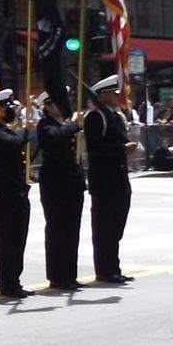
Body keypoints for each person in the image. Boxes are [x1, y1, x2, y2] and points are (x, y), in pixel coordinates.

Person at [0, 90, 36, 298]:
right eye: (9, 107)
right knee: (6, 240)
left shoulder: (7, 129)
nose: (13, 111)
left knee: (18, 238)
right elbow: (12, 143)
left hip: (16, 191)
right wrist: (26, 130)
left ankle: (15, 279)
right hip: (2, 193)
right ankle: (7, 282)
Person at [82, 76, 136, 285]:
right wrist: (121, 149)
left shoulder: (115, 117)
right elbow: (95, 149)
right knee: (104, 228)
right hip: (104, 180)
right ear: (103, 95)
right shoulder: (96, 117)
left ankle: (114, 266)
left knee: (116, 227)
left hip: (119, 179)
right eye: (114, 93)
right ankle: (104, 269)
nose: (118, 96)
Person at [35, 91, 87, 291]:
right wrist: (73, 125)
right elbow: (55, 138)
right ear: (48, 105)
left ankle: (70, 275)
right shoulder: (45, 124)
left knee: (72, 230)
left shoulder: (65, 124)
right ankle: (58, 276)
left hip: (72, 183)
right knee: (58, 230)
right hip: (55, 184)